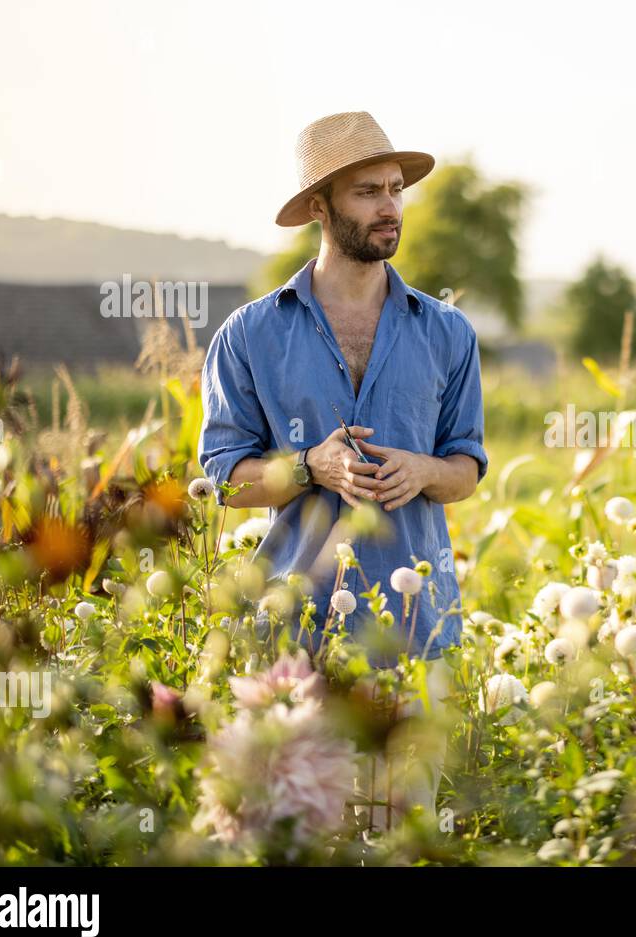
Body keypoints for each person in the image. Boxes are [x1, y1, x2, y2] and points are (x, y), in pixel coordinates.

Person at [198, 111, 489, 831]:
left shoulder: (448, 331)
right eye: (367, 192)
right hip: (294, 637)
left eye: (395, 189)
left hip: (417, 635)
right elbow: (222, 483)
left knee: (403, 835)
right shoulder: (251, 334)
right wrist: (308, 465)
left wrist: (426, 470)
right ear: (320, 207)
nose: (390, 206)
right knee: (293, 836)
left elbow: (467, 467)